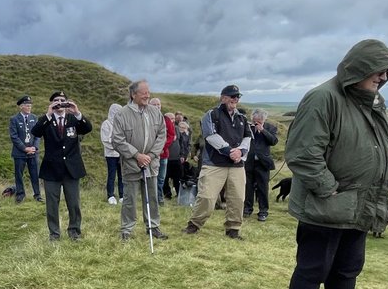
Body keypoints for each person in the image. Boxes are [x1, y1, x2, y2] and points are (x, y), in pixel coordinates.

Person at [275, 39, 388, 289]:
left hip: (361, 203)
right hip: (328, 203)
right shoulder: (323, 98)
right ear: (358, 67)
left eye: (387, 71)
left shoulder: (372, 101)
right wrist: (327, 188)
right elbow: (304, 153)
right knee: (314, 266)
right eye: (377, 70)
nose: (383, 77)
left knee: (348, 266)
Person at [183, 85, 251, 240]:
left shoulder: (242, 118)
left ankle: (233, 229)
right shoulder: (212, 115)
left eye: (237, 97)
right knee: (206, 197)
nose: (235, 99)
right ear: (223, 98)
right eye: (232, 96)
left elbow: (248, 137)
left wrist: (240, 151)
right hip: (214, 163)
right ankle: (194, 224)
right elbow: (211, 136)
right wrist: (229, 151)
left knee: (237, 198)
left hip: (236, 165)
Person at [111, 80, 167, 241]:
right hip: (131, 165)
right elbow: (117, 140)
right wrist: (137, 155)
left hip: (151, 164)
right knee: (129, 199)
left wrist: (150, 155)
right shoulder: (122, 114)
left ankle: (153, 227)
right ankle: (127, 230)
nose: (147, 95)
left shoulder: (155, 112)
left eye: (148, 92)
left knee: (153, 197)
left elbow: (161, 135)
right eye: (143, 93)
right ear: (133, 94)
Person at [32, 91, 92, 241]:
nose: (60, 103)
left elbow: (87, 128)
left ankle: (74, 232)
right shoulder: (46, 120)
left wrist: (77, 112)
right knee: (52, 204)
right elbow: (36, 132)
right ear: (52, 103)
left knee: (74, 203)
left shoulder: (73, 119)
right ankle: (54, 234)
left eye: (63, 100)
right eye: (56, 100)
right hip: (51, 170)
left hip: (71, 169)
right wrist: (48, 114)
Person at [243, 109, 279, 221]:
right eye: (254, 121)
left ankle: (263, 211)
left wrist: (262, 130)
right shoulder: (248, 127)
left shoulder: (270, 127)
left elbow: (273, 141)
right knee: (248, 187)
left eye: (259, 121)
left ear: (264, 119)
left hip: (263, 163)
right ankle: (247, 209)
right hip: (249, 162)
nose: (256, 123)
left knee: (262, 188)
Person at [8, 96, 41, 203]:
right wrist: (24, 148)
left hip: (33, 152)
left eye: (30, 106)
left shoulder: (34, 118)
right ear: (21, 107)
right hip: (19, 153)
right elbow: (14, 136)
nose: (29, 107)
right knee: (19, 174)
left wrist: (34, 147)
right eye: (27, 106)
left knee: (35, 174)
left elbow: (38, 134)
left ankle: (37, 194)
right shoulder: (14, 119)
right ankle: (20, 194)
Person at [100, 102, 125, 205]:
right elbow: (105, 139)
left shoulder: (122, 124)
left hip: (121, 154)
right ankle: (110, 195)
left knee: (122, 175)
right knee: (111, 175)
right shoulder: (106, 124)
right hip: (111, 154)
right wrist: (117, 144)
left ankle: (122, 195)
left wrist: (122, 146)